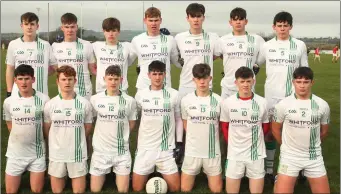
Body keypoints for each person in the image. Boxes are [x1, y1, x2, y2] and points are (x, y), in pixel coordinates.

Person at [257, 11, 309, 182]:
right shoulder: (267, 46)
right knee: (272, 132)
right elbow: (256, 65)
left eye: (285, 25)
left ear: (290, 27)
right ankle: (269, 170)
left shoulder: (299, 45)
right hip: (271, 95)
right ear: (274, 27)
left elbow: (305, 72)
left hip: (292, 96)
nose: (282, 28)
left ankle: (298, 167)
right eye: (279, 25)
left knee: (295, 131)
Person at [174, 2, 220, 169]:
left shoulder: (213, 38)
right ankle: (181, 153)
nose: (196, 19)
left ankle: (208, 158)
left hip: (205, 85)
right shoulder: (179, 38)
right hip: (185, 85)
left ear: (203, 18)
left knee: (206, 122)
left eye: (199, 16)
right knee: (184, 120)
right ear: (187, 18)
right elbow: (176, 58)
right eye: (192, 16)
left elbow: (217, 55)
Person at [272, 67, 330, 194]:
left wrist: (313, 145)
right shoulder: (283, 105)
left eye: (306, 82)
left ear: (312, 83)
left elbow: (324, 131)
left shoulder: (322, 105)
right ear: (293, 82)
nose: (302, 86)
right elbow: (275, 129)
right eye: (299, 82)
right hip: (290, 156)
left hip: (313, 157)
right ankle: (279, 179)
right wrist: (286, 145)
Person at [132, 60, 182, 192]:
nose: (158, 77)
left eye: (160, 74)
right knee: (137, 188)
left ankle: (158, 173)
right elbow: (136, 117)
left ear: (165, 74)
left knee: (176, 188)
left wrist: (179, 142)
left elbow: (178, 119)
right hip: (145, 148)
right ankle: (153, 173)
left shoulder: (173, 94)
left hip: (165, 148)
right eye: (154, 74)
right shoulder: (140, 95)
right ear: (148, 75)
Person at [43, 65, 93, 193]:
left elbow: (87, 127)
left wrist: (76, 138)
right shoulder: (50, 104)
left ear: (75, 81)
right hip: (57, 154)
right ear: (57, 81)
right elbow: (47, 129)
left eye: (70, 79)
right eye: (64, 79)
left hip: (77, 154)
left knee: (79, 191)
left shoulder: (84, 103)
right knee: (57, 191)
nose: (67, 82)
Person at [220, 66, 269, 194]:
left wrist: (255, 141)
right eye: (242, 81)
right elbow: (224, 126)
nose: (245, 85)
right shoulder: (228, 103)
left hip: (256, 154)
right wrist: (231, 143)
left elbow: (265, 126)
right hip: (235, 154)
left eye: (248, 81)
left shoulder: (262, 102)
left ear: (253, 81)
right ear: (236, 83)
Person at [89, 65, 137, 193]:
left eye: (116, 79)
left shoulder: (129, 101)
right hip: (100, 152)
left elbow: (131, 123)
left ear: (121, 80)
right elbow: (90, 120)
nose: (113, 82)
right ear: (104, 79)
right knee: (94, 189)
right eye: (110, 79)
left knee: (123, 190)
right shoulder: (95, 99)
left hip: (121, 152)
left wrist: (121, 134)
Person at [3, 64, 50, 194]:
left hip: (37, 154)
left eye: (27, 78)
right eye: (20, 78)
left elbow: (47, 125)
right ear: (15, 80)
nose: (24, 82)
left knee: (37, 190)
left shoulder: (44, 99)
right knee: (10, 191)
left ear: (33, 80)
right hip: (15, 154)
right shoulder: (9, 102)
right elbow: (9, 124)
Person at [180, 63, 222, 193]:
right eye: (198, 78)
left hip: (212, 152)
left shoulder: (219, 101)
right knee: (185, 189)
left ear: (210, 78)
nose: (202, 82)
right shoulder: (186, 100)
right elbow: (185, 123)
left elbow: (221, 126)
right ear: (194, 80)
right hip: (192, 151)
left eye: (205, 78)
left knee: (216, 190)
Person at [215, 7, 265, 99]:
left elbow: (265, 56)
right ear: (230, 22)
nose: (238, 22)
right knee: (225, 113)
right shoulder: (222, 40)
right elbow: (214, 56)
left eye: (241, 19)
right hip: (228, 87)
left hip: (248, 87)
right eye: (235, 19)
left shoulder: (257, 39)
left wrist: (257, 64)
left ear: (246, 21)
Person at [6, 12, 57, 97]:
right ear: (22, 26)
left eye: (32, 24)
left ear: (37, 26)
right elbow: (10, 69)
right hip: (18, 93)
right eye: (26, 24)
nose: (29, 27)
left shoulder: (45, 45)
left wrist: (43, 73)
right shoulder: (13, 44)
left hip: (41, 93)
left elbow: (55, 67)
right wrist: (9, 92)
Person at [131, 7, 182, 92]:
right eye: (150, 20)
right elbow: (128, 61)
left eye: (156, 20)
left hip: (165, 87)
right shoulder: (137, 40)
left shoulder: (170, 40)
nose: (153, 23)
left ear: (160, 20)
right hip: (143, 87)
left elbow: (178, 63)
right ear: (145, 20)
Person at [52, 13, 96, 100]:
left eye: (72, 27)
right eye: (67, 27)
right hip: (64, 90)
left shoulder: (87, 45)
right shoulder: (55, 46)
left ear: (77, 27)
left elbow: (93, 69)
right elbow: (54, 69)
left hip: (84, 90)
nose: (70, 30)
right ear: (62, 28)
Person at [92, 17, 137, 94]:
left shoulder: (127, 47)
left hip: (121, 90)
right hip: (101, 90)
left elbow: (129, 62)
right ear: (103, 31)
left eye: (113, 31)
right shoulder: (96, 46)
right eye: (108, 31)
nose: (111, 34)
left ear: (118, 31)